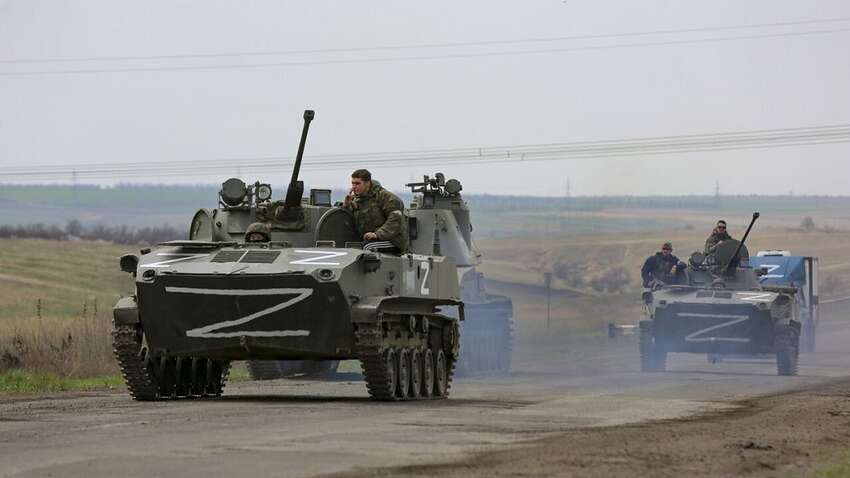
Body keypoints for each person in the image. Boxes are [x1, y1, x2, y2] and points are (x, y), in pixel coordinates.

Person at [342, 169, 409, 253]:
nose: (354, 187)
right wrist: (346, 206)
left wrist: (377, 234)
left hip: (391, 241)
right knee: (348, 247)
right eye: (353, 183)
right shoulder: (357, 200)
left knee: (365, 247)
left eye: (357, 183)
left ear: (367, 183)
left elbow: (396, 219)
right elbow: (348, 221)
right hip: (369, 240)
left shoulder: (385, 197)